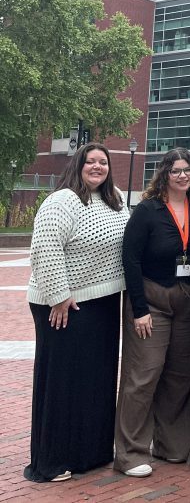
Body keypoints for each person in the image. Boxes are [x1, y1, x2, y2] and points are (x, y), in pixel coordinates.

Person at [25, 143, 129, 482]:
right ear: (78, 165)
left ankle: (91, 453)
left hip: (103, 302)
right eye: (90, 161)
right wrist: (58, 296)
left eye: (103, 162)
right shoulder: (62, 200)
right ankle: (53, 459)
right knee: (63, 382)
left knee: (97, 379)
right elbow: (44, 247)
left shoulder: (115, 200)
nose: (97, 167)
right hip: (63, 305)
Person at [116, 148, 190, 477]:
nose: (182, 175)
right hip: (151, 300)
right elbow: (131, 259)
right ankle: (130, 452)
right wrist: (139, 310)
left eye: (188, 170)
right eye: (175, 170)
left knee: (181, 375)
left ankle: (172, 444)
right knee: (144, 375)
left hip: (188, 301)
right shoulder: (147, 210)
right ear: (164, 174)